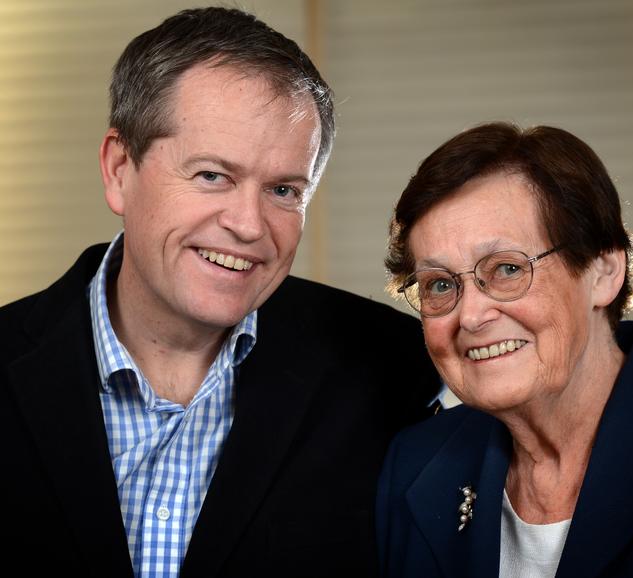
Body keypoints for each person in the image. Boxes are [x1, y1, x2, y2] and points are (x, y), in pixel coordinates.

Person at [0, 8, 440, 578]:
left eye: (284, 189)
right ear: (118, 169)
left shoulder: (391, 368)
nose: (250, 225)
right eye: (213, 175)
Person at [376, 121, 633, 577]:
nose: (470, 316)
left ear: (604, 271)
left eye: (506, 269)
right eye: (440, 284)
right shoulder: (414, 466)